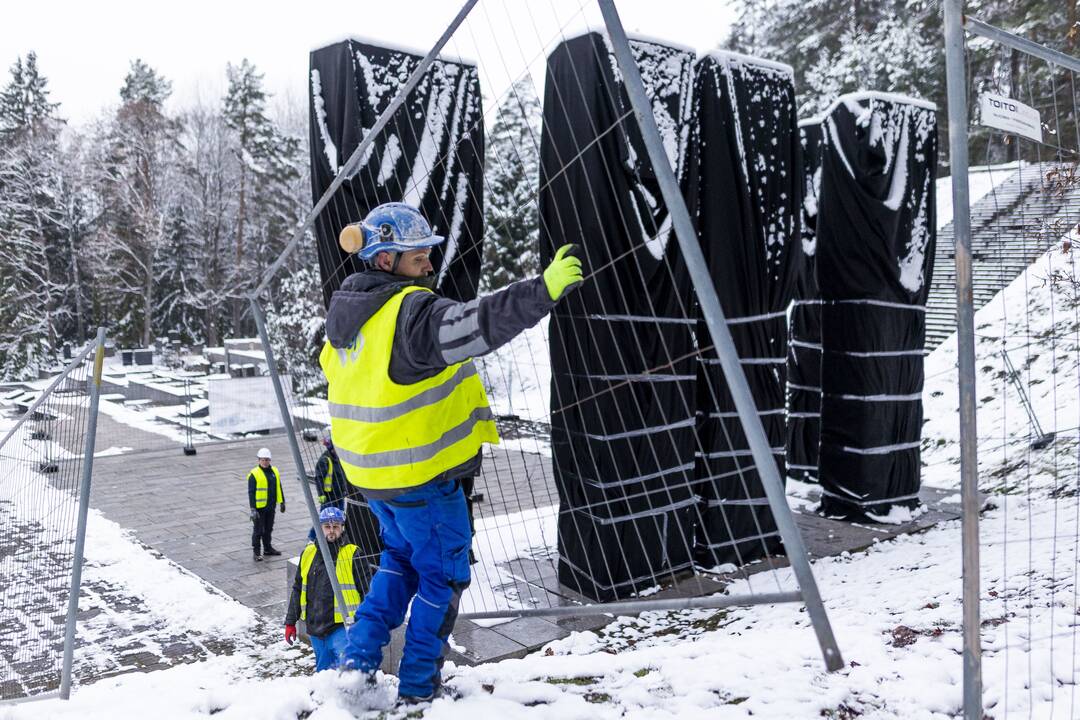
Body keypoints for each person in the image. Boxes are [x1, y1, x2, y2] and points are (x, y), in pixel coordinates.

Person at [321, 202, 583, 703]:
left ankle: (356, 664)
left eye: (427, 252)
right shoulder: (409, 315)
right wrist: (542, 290)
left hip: (374, 479)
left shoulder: (347, 317)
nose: (427, 262)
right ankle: (419, 690)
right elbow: (474, 324)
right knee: (442, 578)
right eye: (416, 254)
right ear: (383, 260)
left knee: (399, 562)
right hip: (422, 478)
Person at [284, 506, 366, 671]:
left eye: (336, 526)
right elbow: (298, 587)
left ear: (342, 528)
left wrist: (366, 624)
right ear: (319, 528)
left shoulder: (353, 553)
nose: (331, 531)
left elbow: (367, 590)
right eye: (327, 527)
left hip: (342, 626)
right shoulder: (308, 553)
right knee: (324, 674)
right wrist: (290, 622)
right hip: (316, 628)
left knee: (348, 672)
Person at [248, 447, 285, 561]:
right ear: (259, 460)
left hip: (271, 506)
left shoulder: (275, 471)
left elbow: (279, 487)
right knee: (258, 530)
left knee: (269, 529)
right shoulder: (254, 474)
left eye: (267, 460)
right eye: (263, 460)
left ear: (270, 460)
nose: (265, 462)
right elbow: (251, 492)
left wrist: (282, 501)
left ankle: (268, 549)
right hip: (259, 508)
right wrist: (253, 509)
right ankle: (256, 552)